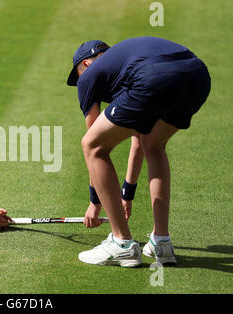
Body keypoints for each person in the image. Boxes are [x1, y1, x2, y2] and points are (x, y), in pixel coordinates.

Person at [66, 36, 210, 267]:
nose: (80, 82)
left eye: (78, 74)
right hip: (197, 76)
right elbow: (138, 140)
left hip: (155, 78)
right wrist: (126, 195)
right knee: (154, 145)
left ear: (86, 64)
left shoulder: (90, 77)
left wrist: (95, 202)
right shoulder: (126, 65)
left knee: (92, 146)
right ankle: (161, 243)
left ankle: (121, 244)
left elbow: (96, 144)